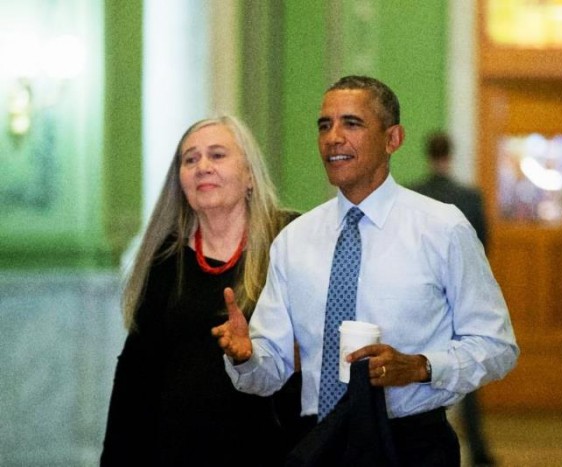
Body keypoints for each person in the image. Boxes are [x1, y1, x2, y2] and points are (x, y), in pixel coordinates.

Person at [212, 76, 519, 467]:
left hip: (411, 444)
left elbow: (498, 347)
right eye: (325, 125)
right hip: (318, 442)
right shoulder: (295, 240)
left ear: (393, 139)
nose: (333, 137)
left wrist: (420, 366)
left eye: (351, 124)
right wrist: (246, 357)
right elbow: (268, 373)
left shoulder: (442, 229)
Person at [101, 115, 301, 466]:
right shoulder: (165, 258)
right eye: (190, 159)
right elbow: (136, 378)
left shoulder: (291, 239)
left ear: (250, 175)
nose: (202, 167)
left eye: (217, 155)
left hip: (276, 447)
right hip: (179, 450)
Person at [410, 131, 496, 467]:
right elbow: (484, 248)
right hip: (460, 297)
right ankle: (478, 449)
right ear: (452, 154)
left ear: (427, 154)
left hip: (422, 297)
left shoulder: (414, 195)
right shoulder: (470, 197)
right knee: (467, 370)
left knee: (422, 370)